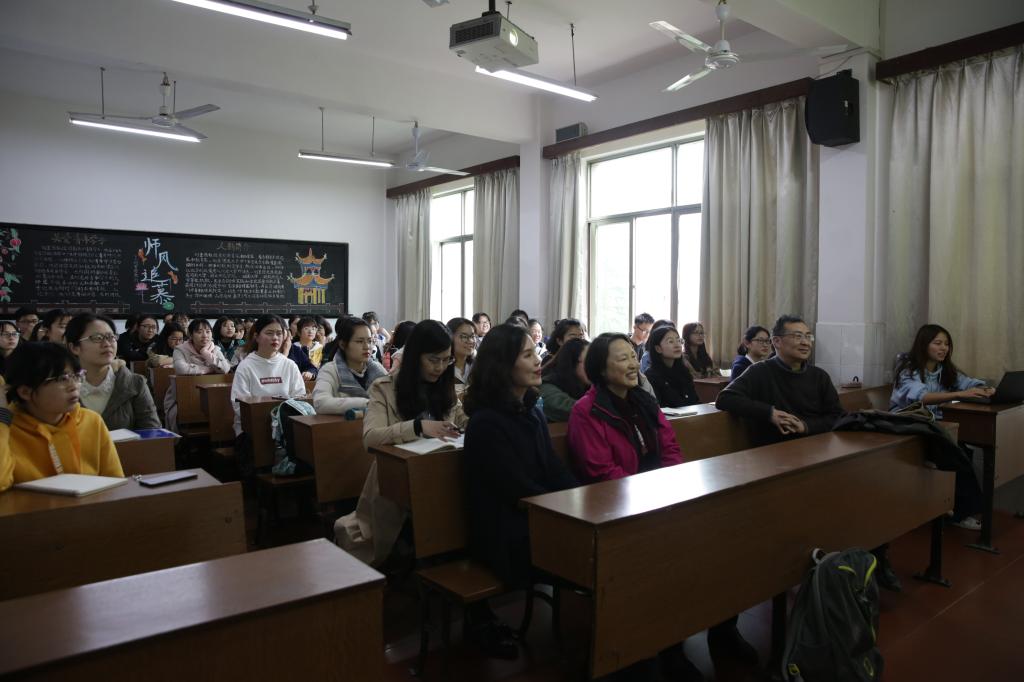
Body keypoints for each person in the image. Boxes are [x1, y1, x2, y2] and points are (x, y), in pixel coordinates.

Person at [569, 333, 754, 679]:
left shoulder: (643, 400)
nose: (631, 364)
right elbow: (601, 472)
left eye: (631, 357)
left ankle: (721, 631)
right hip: (619, 512)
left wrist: (668, 489)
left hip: (661, 499)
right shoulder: (587, 411)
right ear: (600, 368)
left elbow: (670, 447)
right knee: (669, 563)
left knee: (727, 543)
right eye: (621, 358)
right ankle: (664, 650)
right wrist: (648, 497)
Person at [714, 316, 908, 591]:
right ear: (777, 342)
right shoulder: (761, 373)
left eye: (808, 336)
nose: (805, 342)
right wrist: (769, 413)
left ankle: (875, 557)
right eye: (797, 336)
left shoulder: (818, 376)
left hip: (818, 458)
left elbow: (837, 417)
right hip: (775, 463)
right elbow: (726, 398)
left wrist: (806, 425)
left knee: (873, 488)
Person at [462, 324, 578, 658]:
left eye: (534, 352)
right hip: (506, 535)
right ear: (503, 365)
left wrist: (585, 498)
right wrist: (569, 512)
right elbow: (517, 489)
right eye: (527, 355)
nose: (538, 360)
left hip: (534, 520)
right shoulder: (486, 422)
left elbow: (552, 469)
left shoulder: (530, 408)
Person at [336, 320, 467, 567]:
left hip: (443, 475)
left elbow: (462, 420)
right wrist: (416, 427)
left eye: (446, 360)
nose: (440, 367)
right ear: (415, 356)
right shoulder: (384, 388)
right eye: (433, 360)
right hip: (398, 481)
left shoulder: (445, 387)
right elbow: (370, 438)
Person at [0, 342, 123, 492]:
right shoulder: (7, 429)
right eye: (61, 379)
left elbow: (115, 482)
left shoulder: (90, 421)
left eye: (77, 376)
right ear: (25, 392)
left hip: (91, 512)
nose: (74, 386)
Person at [66, 314, 160, 431]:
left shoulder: (135, 383)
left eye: (111, 337)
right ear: (74, 347)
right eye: (97, 338)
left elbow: (153, 433)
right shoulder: (61, 387)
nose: (107, 344)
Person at [890, 324, 994, 418]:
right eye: (938, 343)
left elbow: (967, 383)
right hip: (905, 421)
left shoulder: (944, 369)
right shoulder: (907, 369)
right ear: (923, 345)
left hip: (934, 421)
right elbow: (922, 397)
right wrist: (959, 394)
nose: (944, 348)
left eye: (946, 344)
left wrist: (984, 389)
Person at [231, 314, 305, 438]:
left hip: (285, 427)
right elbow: (239, 405)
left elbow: (299, 398)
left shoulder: (289, 365)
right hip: (253, 429)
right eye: (269, 333)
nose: (275, 338)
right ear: (256, 337)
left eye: (279, 333)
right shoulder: (246, 366)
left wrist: (281, 420)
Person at [313, 316, 387, 415]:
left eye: (369, 341)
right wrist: (369, 403)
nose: (367, 347)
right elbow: (320, 403)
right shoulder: (330, 370)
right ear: (343, 344)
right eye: (360, 341)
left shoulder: (377, 369)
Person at [166, 319, 231, 430]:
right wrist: (208, 369)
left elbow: (225, 369)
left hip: (212, 395)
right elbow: (181, 368)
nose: (204, 335)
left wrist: (206, 354)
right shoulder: (180, 350)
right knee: (179, 412)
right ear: (191, 335)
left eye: (207, 331)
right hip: (185, 393)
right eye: (199, 332)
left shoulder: (215, 349)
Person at [644, 325, 700, 407]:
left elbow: (694, 400)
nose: (677, 345)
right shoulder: (651, 376)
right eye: (671, 341)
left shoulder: (684, 371)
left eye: (678, 340)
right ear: (658, 348)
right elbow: (656, 408)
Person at [538, 337, 590, 422]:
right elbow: (575, 410)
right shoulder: (547, 387)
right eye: (588, 361)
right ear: (571, 363)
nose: (594, 366)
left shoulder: (590, 384)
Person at [446, 317, 477, 394]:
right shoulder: (443, 367)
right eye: (464, 337)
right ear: (450, 337)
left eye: (473, 336)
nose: (470, 341)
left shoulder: (476, 366)